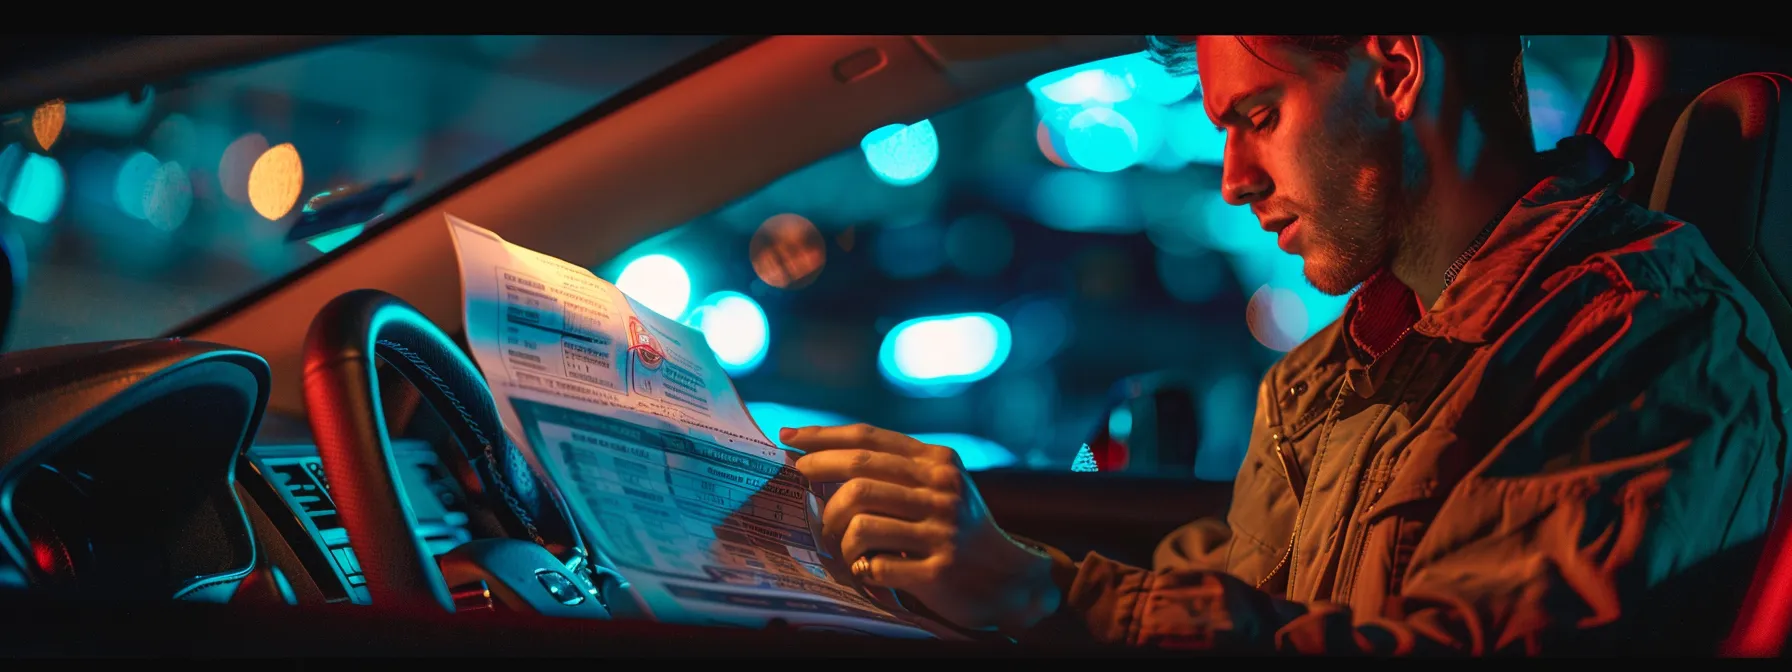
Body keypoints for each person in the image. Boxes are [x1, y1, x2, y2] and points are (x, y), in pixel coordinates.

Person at [781, 35, 1792, 655]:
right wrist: (944, 560)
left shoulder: (1648, 337)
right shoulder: (1327, 374)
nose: (1231, 178)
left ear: (1393, 70)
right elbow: (1240, 596)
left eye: (1257, 117)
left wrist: (1041, 594)